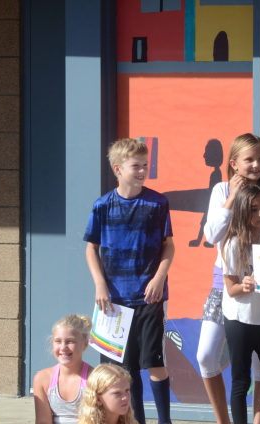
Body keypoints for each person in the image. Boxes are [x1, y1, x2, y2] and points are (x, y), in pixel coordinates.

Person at [84, 138, 175, 424]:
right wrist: (100, 284)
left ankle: (165, 421)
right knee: (125, 370)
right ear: (118, 169)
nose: (142, 171)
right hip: (115, 301)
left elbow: (168, 246)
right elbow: (91, 248)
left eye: (145, 165)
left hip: (150, 297)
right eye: (136, 166)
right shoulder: (102, 205)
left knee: (154, 363)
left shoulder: (157, 202)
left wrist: (159, 277)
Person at [198, 133, 260, 424]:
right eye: (249, 159)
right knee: (206, 355)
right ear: (234, 163)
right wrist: (233, 197)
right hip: (226, 281)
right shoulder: (222, 189)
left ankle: (258, 420)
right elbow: (212, 235)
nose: (257, 165)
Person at [221, 185, 260, 424]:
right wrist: (244, 285)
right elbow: (231, 289)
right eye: (254, 209)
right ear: (242, 211)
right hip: (239, 321)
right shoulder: (233, 244)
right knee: (241, 381)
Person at [33, 314, 94, 424]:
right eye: (58, 341)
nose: (63, 348)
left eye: (70, 341)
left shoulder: (95, 378)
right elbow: (43, 421)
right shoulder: (42, 378)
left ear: (85, 344)